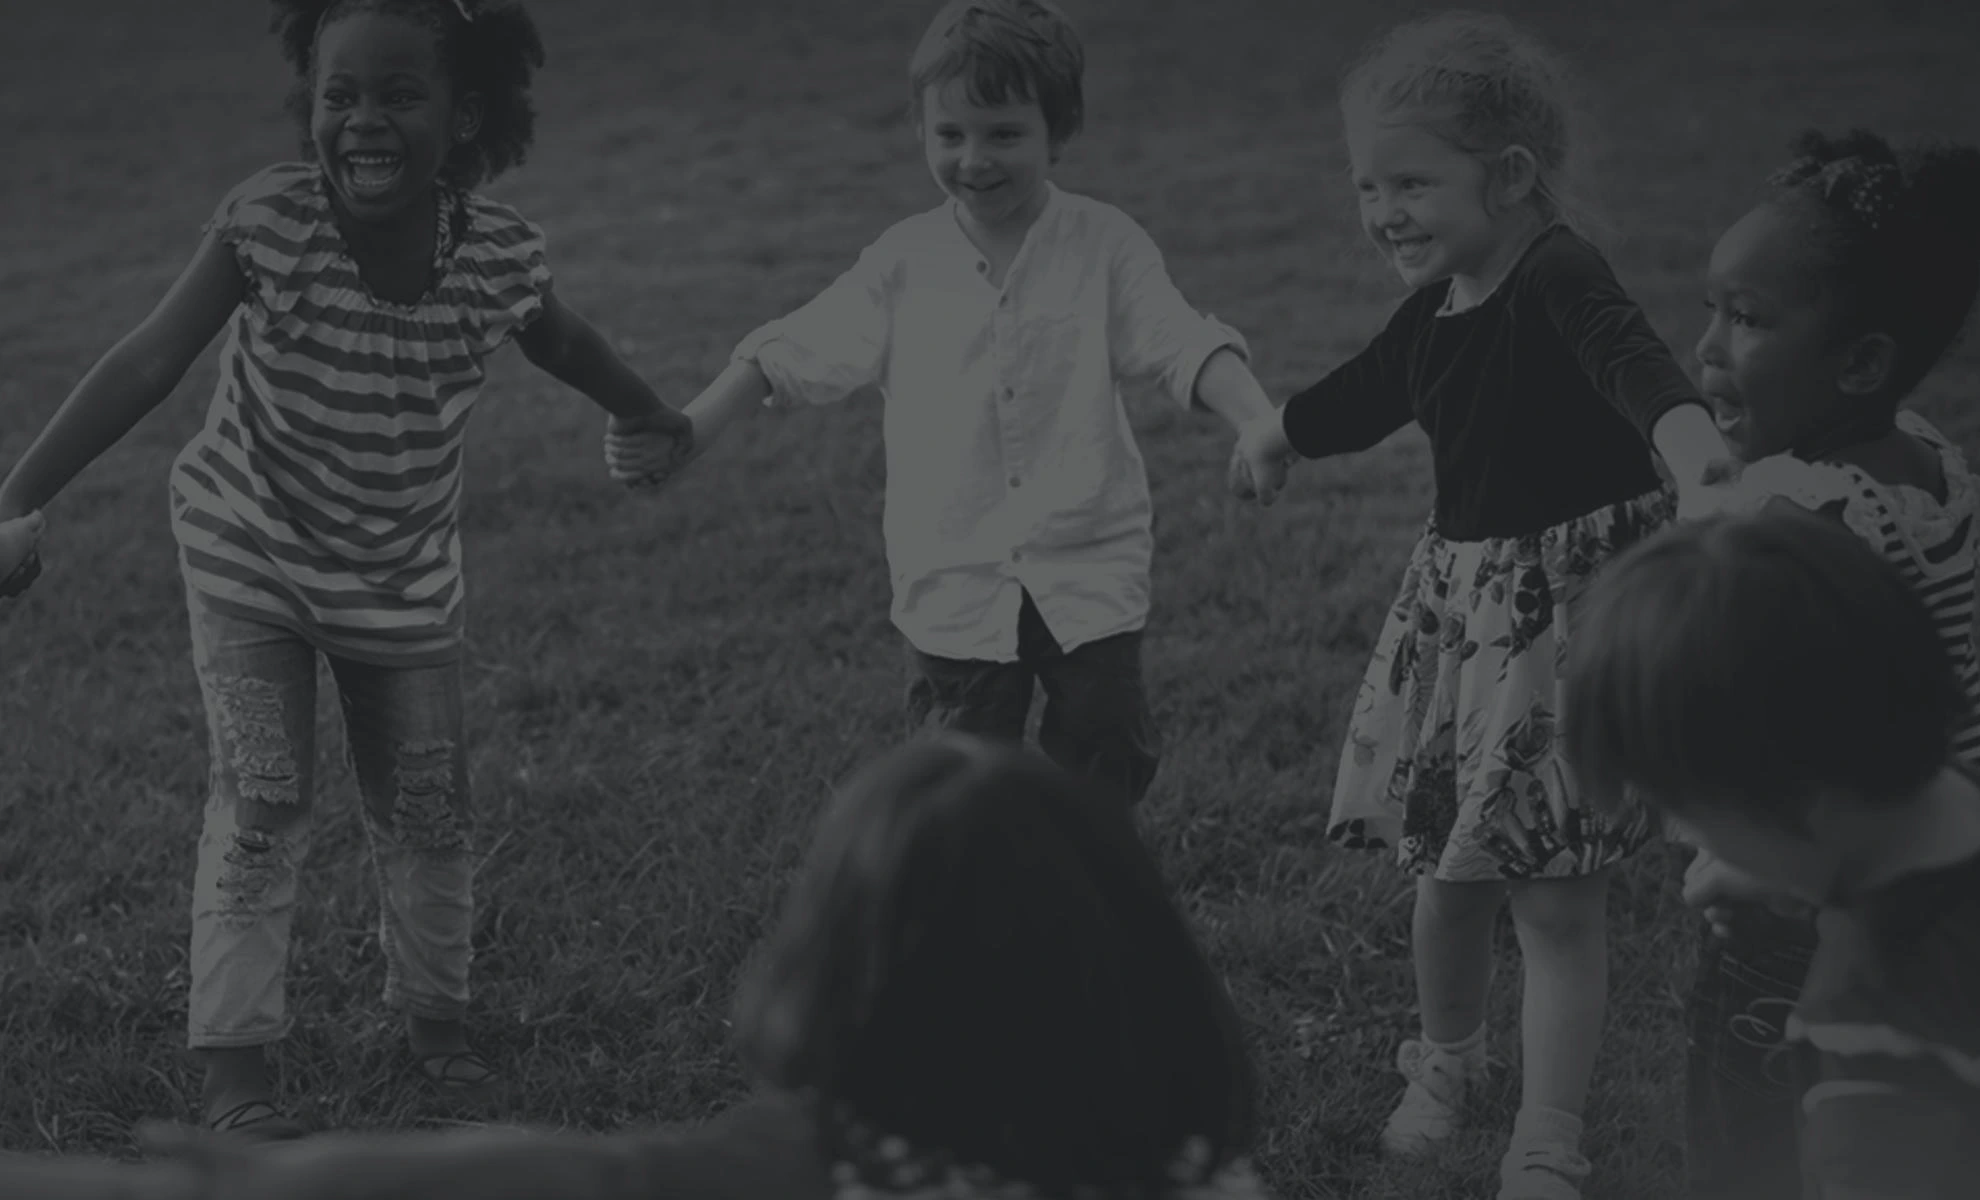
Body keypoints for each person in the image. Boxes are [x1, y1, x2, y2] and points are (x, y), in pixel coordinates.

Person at [0, 0, 692, 1140]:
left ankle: (437, 1029)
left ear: (462, 115)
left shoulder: (497, 255)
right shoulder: (270, 221)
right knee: (264, 797)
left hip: (402, 580)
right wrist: (17, 496)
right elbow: (147, 360)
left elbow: (566, 342)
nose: (364, 120)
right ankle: (236, 1072)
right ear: (309, 106)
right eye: (340, 95)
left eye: (399, 95)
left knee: (428, 809)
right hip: (252, 550)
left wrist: (648, 411)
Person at [1228, 12, 1737, 1197]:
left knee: (1552, 897)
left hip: (1562, 630)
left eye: (1410, 183)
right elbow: (1364, 392)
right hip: (1462, 627)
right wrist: (1273, 433)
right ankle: (1446, 1062)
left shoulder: (1556, 273)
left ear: (1507, 177)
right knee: (1447, 879)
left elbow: (1636, 367)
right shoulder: (1436, 307)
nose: (1381, 212)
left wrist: (1694, 456)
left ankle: (1548, 1131)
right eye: (1367, 187)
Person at [0, 736, 1275, 1200]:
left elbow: (556, 1177)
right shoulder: (1203, 1173)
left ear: (848, 972)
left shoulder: (827, 1167)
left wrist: (248, 1183)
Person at [606, 0, 1289, 810]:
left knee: (1108, 744)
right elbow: (792, 348)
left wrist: (1256, 419)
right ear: (920, 131)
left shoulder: (1104, 244)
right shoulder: (904, 260)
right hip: (955, 573)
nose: (974, 159)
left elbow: (1180, 340)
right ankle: (973, 877)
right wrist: (694, 427)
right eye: (951, 134)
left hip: (1086, 561)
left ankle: (1085, 867)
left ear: (1059, 132)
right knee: (957, 772)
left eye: (1004, 134)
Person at [1670, 127, 1980, 1198]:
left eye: (1747, 319)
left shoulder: (1790, 513)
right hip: (1928, 855)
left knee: (1749, 1142)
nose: (1705, 349)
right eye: (1712, 308)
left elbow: (1775, 719)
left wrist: (1751, 860)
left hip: (1793, 892)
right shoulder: (1927, 459)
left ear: (1858, 363)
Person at [1566, 505, 1980, 1199]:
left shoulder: (1869, 1048)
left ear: (1797, 803)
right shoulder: (1970, 804)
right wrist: (1810, 890)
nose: (1688, 841)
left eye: (1687, 813)